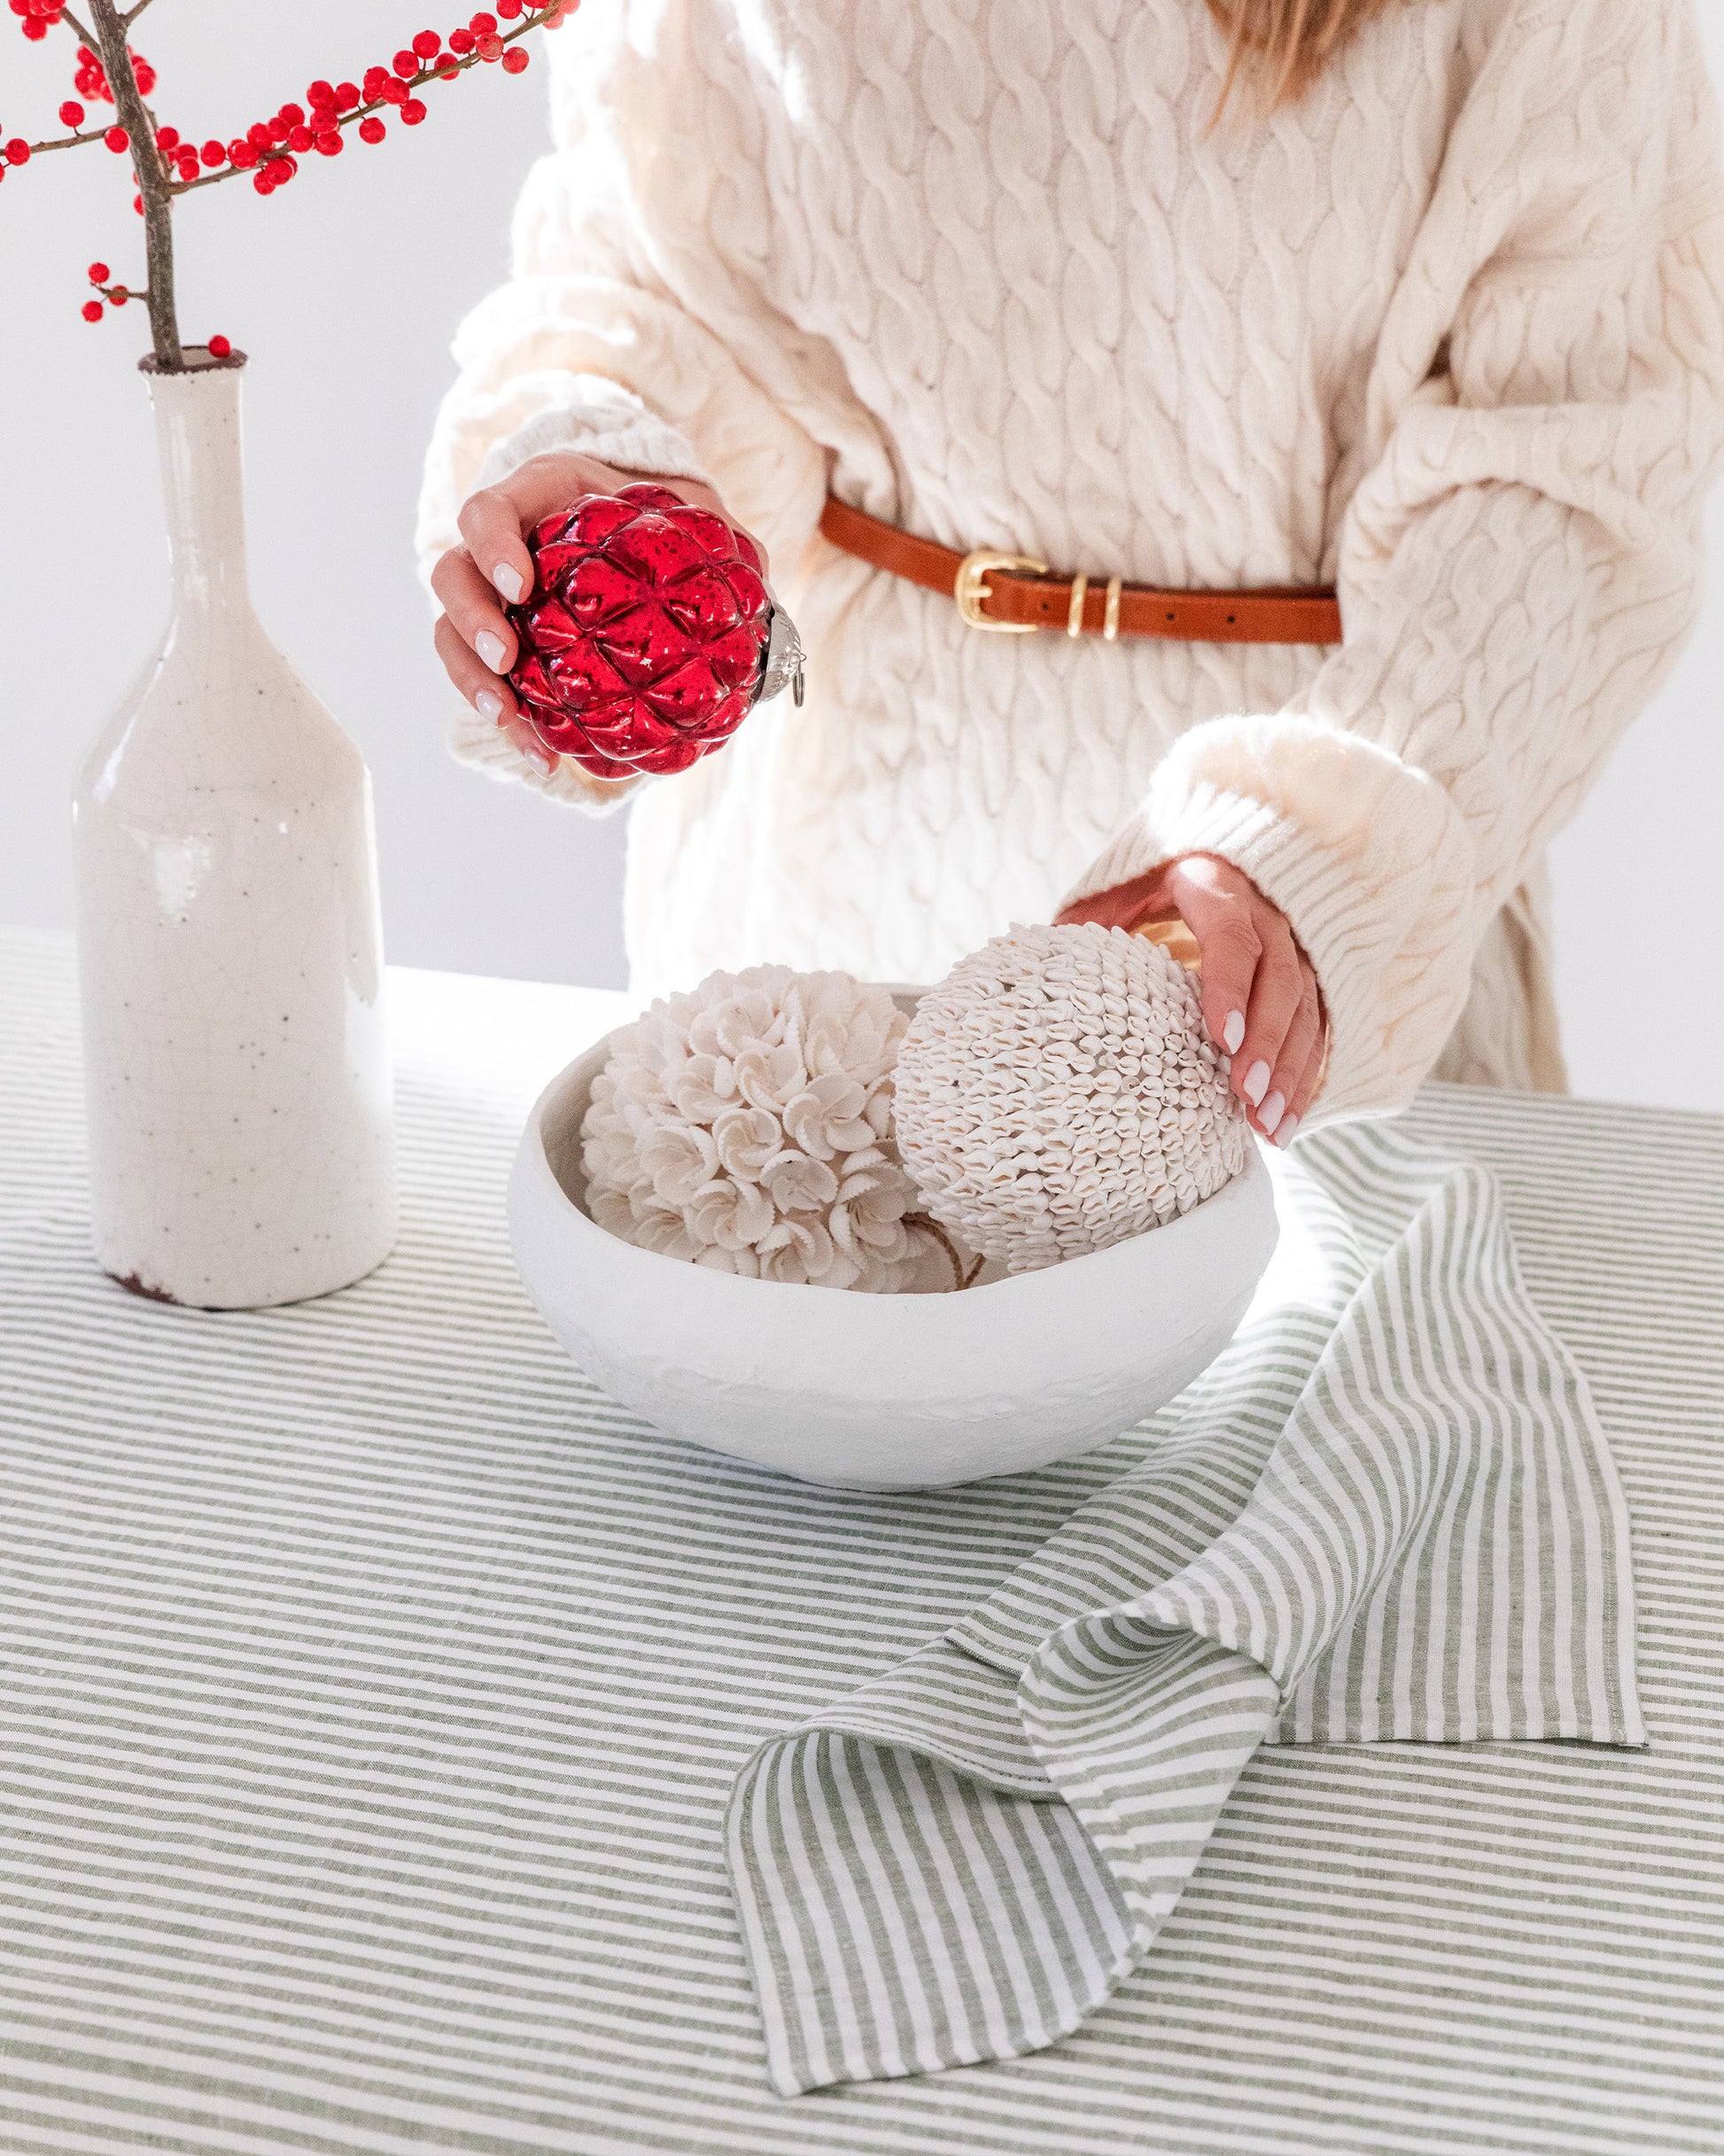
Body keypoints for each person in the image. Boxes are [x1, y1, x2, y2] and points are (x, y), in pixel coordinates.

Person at [419, 0, 1724, 1145]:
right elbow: (641, 286)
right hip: (820, 891)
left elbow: (1572, 460)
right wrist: (606, 470)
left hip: (1307, 936)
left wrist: (1310, 853)